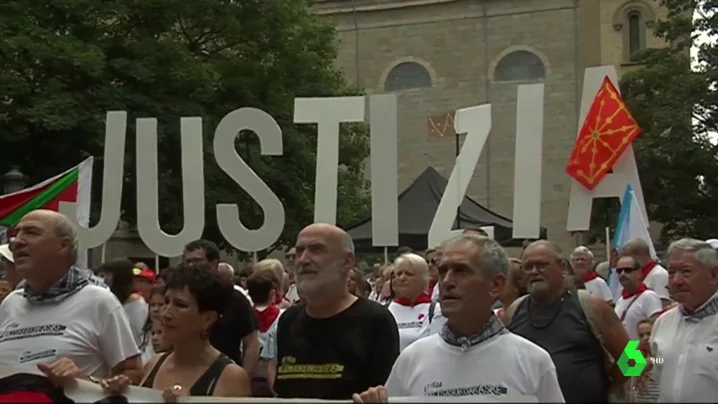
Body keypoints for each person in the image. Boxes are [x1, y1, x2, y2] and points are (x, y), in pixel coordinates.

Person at [353, 234, 564, 402]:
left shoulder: (533, 360)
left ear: (496, 285)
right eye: (443, 271)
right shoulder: (412, 359)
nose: (447, 281)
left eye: (461, 271)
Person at [0, 210, 141, 385]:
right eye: (16, 234)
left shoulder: (98, 300)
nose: (16, 242)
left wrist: (84, 382)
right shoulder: (10, 303)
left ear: (63, 245)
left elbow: (132, 373)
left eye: (31, 232)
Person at [270, 223, 400, 399]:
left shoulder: (375, 320)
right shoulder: (289, 320)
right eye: (300, 251)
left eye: (316, 249)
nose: (303, 259)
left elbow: (386, 394)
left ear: (346, 261)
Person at [502, 240, 630, 403]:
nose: (534, 271)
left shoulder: (592, 306)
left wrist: (609, 385)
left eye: (542, 265)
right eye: (527, 267)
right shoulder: (513, 312)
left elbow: (634, 359)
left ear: (562, 267)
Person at [102, 262, 252, 399]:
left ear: (208, 319)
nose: (166, 313)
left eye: (180, 305)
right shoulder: (154, 364)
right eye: (166, 302)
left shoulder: (231, 377)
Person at [647, 238, 718, 402]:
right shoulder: (663, 322)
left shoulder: (648, 298)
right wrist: (648, 362)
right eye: (671, 273)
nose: (676, 281)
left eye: (686, 272)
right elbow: (662, 361)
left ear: (714, 275)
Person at [183, 240, 260, 374]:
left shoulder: (234, 298)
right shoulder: (179, 298)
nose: (191, 266)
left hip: (225, 376)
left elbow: (251, 343)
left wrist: (244, 378)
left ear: (213, 263)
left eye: (196, 260)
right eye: (188, 261)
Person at [99, 259, 152, 364]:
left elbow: (140, 338)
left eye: (106, 275)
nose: (102, 280)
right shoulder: (106, 301)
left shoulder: (137, 305)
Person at [386, 253, 436, 351]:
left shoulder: (436, 311)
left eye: (409, 274)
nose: (402, 278)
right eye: (399, 274)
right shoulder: (385, 311)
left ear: (423, 278)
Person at [613, 255, 661, 340]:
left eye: (628, 270)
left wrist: (639, 352)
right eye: (619, 271)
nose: (622, 274)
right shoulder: (620, 300)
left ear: (639, 273)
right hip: (627, 351)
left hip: (640, 351)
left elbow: (656, 330)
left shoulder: (649, 296)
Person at [621, 238, 671, 307]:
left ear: (641, 254)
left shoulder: (659, 274)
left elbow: (663, 305)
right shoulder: (638, 274)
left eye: (629, 257)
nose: (626, 261)